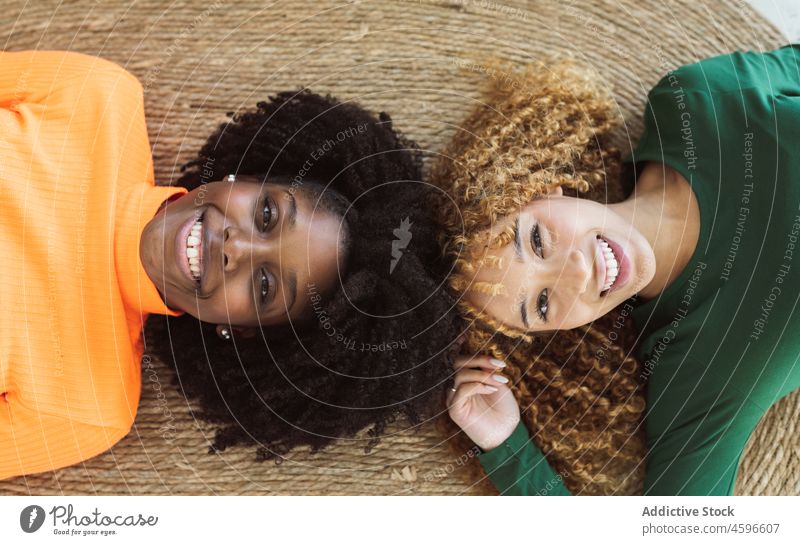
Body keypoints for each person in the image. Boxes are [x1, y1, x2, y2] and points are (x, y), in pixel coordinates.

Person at [0, 50, 461, 480]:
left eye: (264, 286)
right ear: (246, 174)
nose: (235, 248)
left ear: (239, 331)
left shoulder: (90, 408)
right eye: (266, 215)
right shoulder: (95, 98)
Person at [436, 44, 800, 495]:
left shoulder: (694, 100)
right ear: (557, 334)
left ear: (544, 188)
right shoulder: (697, 367)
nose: (575, 273)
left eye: (535, 241)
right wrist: (506, 445)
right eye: (543, 304)